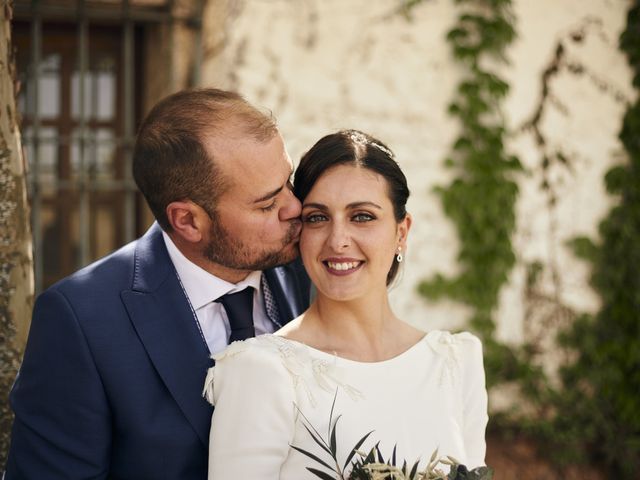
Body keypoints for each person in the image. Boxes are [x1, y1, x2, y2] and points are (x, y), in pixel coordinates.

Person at [5, 88, 311, 479]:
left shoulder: (310, 273)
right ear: (187, 221)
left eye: (288, 182)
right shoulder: (80, 322)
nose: (294, 207)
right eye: (267, 204)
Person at [204, 129, 489, 479]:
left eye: (362, 216)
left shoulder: (456, 361)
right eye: (318, 218)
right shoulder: (261, 371)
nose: (338, 240)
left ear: (402, 232)